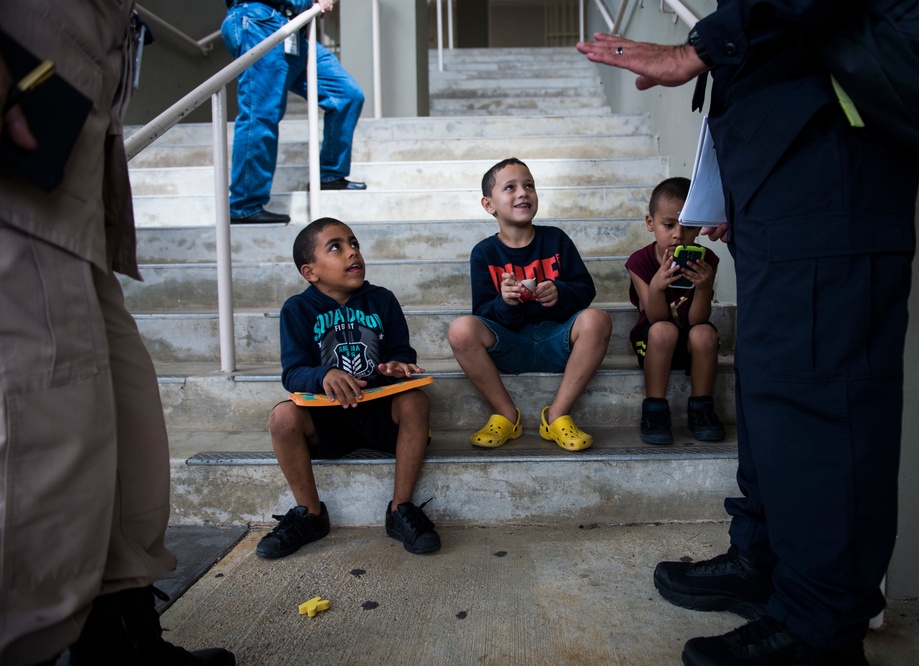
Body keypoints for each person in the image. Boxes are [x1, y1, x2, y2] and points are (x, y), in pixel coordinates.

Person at [578, 1, 919, 664]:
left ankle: (820, 625)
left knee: (822, 397)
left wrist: (699, 47)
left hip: (831, 155)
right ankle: (764, 559)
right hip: (782, 167)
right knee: (772, 385)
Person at [0, 4, 234, 665]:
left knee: (126, 432)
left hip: (70, 172)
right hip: (20, 164)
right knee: (41, 432)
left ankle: (122, 639)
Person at [263, 217, 440, 558]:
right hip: (327, 422)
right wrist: (322, 375)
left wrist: (397, 366)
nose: (351, 252)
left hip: (379, 415)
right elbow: (293, 373)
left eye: (354, 243)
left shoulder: (382, 300)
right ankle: (310, 514)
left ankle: (400, 509)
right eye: (336, 247)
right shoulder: (297, 310)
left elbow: (401, 352)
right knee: (282, 417)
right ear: (310, 271)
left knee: (416, 401)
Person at [448, 158, 612, 452]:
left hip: (557, 340)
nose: (523, 193)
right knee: (461, 330)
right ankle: (507, 415)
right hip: (508, 344)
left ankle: (557, 415)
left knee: (597, 319)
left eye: (529, 186)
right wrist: (506, 303)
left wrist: (560, 293)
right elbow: (482, 314)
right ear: (489, 205)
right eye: (510, 187)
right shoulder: (484, 253)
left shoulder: (556, 239)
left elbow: (585, 290)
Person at [222, 0, 366, 225]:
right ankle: (244, 205)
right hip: (260, 20)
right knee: (261, 112)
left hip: (293, 27)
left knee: (347, 95)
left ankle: (329, 173)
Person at [626, 177, 724, 445]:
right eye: (668, 225)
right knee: (663, 330)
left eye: (689, 226)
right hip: (654, 342)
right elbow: (656, 317)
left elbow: (697, 320)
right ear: (650, 223)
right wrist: (657, 287)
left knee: (704, 333)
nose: (679, 234)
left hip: (691, 344)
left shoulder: (707, 261)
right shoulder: (640, 262)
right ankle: (655, 409)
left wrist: (703, 288)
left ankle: (702, 409)